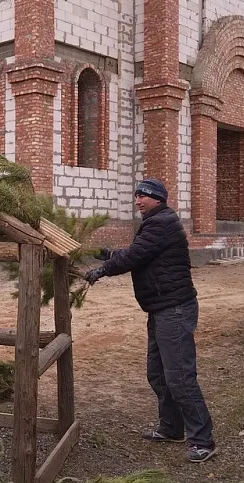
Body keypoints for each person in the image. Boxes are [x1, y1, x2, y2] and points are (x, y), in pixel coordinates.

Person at [83, 178, 217, 463]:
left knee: (179, 376)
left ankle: (202, 440)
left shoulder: (162, 222)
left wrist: (103, 269)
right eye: (136, 196)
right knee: (157, 373)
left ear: (158, 198)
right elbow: (142, 252)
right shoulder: (155, 223)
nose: (138, 201)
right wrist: (109, 254)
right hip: (161, 308)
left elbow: (136, 255)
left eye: (143, 196)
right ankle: (171, 427)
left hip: (175, 309)